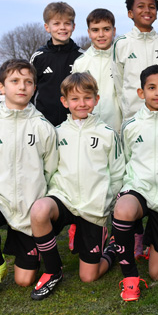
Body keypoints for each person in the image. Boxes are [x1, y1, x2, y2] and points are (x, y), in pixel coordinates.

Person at [27, 72, 125, 300]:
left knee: (89, 276)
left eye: (87, 98)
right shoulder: (57, 132)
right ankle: (53, 270)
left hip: (93, 205)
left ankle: (111, 250)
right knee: (39, 210)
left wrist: (106, 201)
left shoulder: (108, 134)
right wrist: (50, 193)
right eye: (75, 99)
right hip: (64, 198)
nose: (81, 103)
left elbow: (117, 173)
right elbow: (50, 168)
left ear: (96, 100)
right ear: (64, 102)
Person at [0, 59, 59, 299]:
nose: (22, 87)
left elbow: (50, 169)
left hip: (29, 204)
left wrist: (37, 197)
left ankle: (28, 246)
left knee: (24, 281)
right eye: (15, 81)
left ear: (35, 87)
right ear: (1, 87)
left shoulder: (43, 126)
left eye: (28, 82)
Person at [110, 65, 158, 301]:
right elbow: (124, 160)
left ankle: (148, 241)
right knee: (123, 209)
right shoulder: (130, 126)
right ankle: (130, 278)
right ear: (141, 92)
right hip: (138, 189)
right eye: (152, 88)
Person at [113, 0, 158, 122]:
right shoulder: (121, 43)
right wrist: (126, 110)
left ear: (156, 13)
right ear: (130, 13)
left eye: (151, 7)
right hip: (133, 117)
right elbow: (119, 83)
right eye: (141, 6)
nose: (147, 10)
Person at [30, 2, 85, 126]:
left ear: (73, 26)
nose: (62, 27)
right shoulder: (38, 57)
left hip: (76, 124)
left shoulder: (82, 57)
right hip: (44, 124)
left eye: (67, 23)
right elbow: (30, 92)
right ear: (47, 27)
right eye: (56, 24)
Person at [71, 8, 122, 131]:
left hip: (117, 128)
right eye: (95, 30)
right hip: (88, 129)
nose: (101, 34)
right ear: (89, 32)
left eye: (106, 29)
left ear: (114, 31)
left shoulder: (122, 59)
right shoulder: (80, 63)